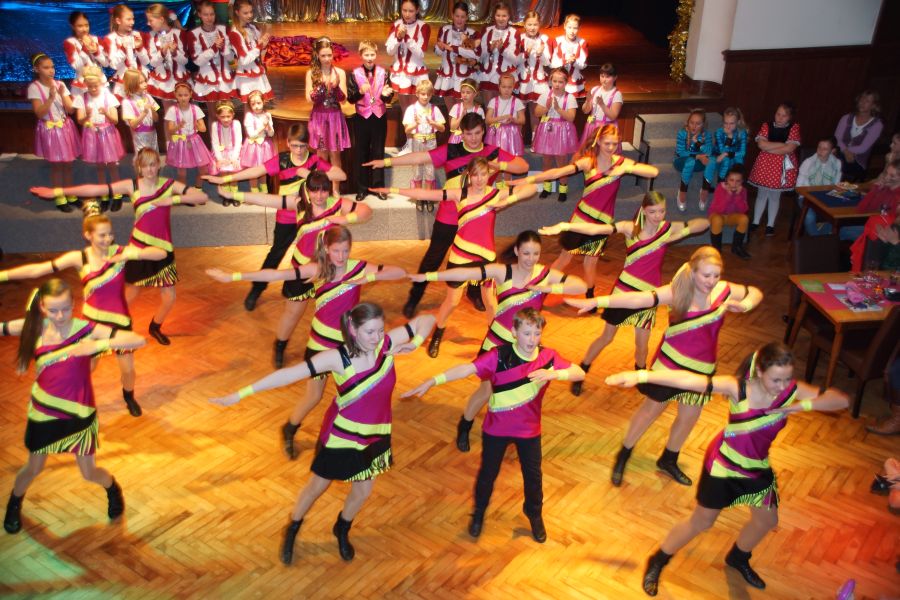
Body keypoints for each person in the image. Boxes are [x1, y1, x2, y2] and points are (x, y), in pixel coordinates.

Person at [605, 343, 848, 595]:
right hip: (723, 468)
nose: (782, 386)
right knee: (701, 522)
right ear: (759, 372)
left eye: (787, 378)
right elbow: (689, 380)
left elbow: (840, 400)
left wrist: (800, 406)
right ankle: (658, 560)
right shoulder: (738, 388)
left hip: (756, 469)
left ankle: (738, 557)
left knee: (767, 520)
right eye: (776, 379)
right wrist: (641, 375)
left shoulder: (790, 390)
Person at [210, 302, 435, 563]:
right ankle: (293, 526)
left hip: (376, 432)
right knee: (316, 487)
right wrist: (240, 394)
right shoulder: (336, 358)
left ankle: (342, 527)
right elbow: (288, 375)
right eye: (369, 332)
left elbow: (428, 319)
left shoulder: (385, 344)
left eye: (380, 330)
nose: (376, 338)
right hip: (342, 436)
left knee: (362, 492)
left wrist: (415, 342)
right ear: (353, 329)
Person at [565, 246, 763, 487]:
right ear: (693, 272)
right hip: (669, 365)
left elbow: (755, 292)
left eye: (716, 275)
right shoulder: (678, 292)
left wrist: (746, 305)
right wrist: (598, 300)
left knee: (688, 418)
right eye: (706, 275)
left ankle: (669, 459)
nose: (711, 281)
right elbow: (638, 298)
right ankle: (624, 454)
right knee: (650, 411)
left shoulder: (724, 290)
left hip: (702, 369)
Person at [206, 227, 407, 463]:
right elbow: (276, 275)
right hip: (320, 346)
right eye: (336, 251)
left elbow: (399, 271)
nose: (341, 256)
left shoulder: (358, 267)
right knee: (314, 396)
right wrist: (232, 277)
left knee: (350, 396)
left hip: (348, 347)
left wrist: (368, 277)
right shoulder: (317, 269)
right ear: (326, 248)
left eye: (345, 250)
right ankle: (290, 428)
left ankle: (330, 441)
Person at [403, 308, 585, 543]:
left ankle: (534, 513)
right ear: (514, 332)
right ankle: (478, 513)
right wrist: (433, 381)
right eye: (526, 333)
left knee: (534, 477)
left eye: (537, 333)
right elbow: (466, 369)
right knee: (487, 475)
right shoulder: (498, 356)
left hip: (529, 430)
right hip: (496, 429)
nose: (532, 339)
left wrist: (555, 375)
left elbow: (579, 373)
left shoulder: (548, 357)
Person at [1, 279, 146, 535]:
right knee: (33, 467)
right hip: (43, 412)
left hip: (80, 411)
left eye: (65, 309)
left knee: (89, 472)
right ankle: (14, 502)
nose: (60, 316)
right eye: (53, 310)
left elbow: (137, 340)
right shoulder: (33, 327)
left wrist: (97, 345)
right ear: (42, 307)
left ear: (73, 304)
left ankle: (113, 489)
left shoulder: (86, 329)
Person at [419, 230, 587, 451]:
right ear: (517, 251)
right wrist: (428, 276)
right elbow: (466, 273)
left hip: (526, 348)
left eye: (535, 254)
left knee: (520, 390)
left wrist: (549, 288)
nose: (530, 259)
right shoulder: (502, 271)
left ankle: (508, 428)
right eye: (526, 253)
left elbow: (581, 286)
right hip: (496, 344)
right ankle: (465, 425)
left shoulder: (545, 274)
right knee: (486, 391)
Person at [31, 148, 209, 345]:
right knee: (130, 294)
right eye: (145, 166)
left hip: (162, 249)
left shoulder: (168, 185)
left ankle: (155, 326)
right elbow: (95, 190)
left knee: (169, 297)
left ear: (159, 165)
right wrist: (58, 192)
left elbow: (201, 197)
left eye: (153, 165)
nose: (149, 170)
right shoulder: (132, 186)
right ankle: (108, 326)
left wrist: (172, 199)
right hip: (138, 249)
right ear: (139, 167)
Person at [539, 192, 708, 396]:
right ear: (643, 210)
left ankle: (640, 376)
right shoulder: (630, 228)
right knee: (606, 337)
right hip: (623, 291)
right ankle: (582, 370)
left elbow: (702, 223)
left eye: (662, 211)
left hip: (649, 294)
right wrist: (566, 226)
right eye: (653, 212)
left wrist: (684, 232)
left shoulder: (667, 229)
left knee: (642, 345)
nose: (658, 216)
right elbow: (596, 229)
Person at [363, 113, 529, 318]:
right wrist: (386, 163)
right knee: (432, 259)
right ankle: (414, 298)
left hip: (477, 218)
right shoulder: (451, 150)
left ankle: (474, 293)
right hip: (448, 217)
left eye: (477, 133)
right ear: (462, 134)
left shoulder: (492, 152)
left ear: (483, 132)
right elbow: (419, 157)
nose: (473, 138)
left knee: (478, 258)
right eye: (469, 134)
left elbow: (523, 166)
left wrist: (497, 166)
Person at [0, 213, 165, 416]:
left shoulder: (120, 252)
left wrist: (127, 255)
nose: (108, 239)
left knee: (128, 370)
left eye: (110, 234)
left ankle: (129, 397)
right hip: (91, 324)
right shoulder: (79, 258)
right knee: (86, 368)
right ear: (88, 235)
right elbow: (38, 270)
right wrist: (3, 275)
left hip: (119, 322)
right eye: (102, 235)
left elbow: (160, 254)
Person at [373, 157, 539, 358]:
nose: (479, 179)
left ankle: (494, 339)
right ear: (469, 175)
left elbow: (531, 187)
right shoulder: (459, 194)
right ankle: (437, 333)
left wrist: (508, 200)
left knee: (490, 301)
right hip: (461, 254)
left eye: (483, 174)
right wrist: (392, 190)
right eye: (475, 175)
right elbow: (424, 193)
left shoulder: (495, 194)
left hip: (486, 257)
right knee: (452, 301)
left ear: (489, 175)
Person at [217, 171, 372, 367]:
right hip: (302, 270)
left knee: (334, 313)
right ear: (308, 190)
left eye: (324, 190)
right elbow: (266, 199)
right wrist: (233, 195)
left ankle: (334, 350)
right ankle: (280, 345)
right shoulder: (299, 204)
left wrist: (345, 219)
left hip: (329, 271)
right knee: (292, 314)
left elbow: (366, 211)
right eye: (314, 191)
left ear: (328, 190)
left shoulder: (337, 204)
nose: (319, 196)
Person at [204, 123, 347, 311]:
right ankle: (256, 289)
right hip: (286, 217)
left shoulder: (314, 161)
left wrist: (309, 174)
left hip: (309, 219)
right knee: (276, 254)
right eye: (294, 145)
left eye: (302, 146)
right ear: (287, 143)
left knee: (313, 254)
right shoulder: (282, 160)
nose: (298, 150)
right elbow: (257, 170)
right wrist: (225, 179)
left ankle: (305, 287)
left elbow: (341, 175)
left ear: (308, 144)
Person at [514, 124, 659, 300]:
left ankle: (590, 295)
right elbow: (557, 172)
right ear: (598, 141)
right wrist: (529, 180)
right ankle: (540, 290)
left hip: (602, 224)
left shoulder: (621, 163)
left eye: (614, 144)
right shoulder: (589, 162)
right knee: (564, 258)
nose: (611, 147)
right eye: (607, 143)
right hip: (580, 219)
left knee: (590, 263)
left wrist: (627, 168)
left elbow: (653, 172)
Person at [27, 53, 80, 213]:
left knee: (68, 164)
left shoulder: (60, 84)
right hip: (50, 130)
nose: (51, 70)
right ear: (37, 69)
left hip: (65, 127)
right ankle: (59, 197)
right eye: (46, 67)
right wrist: (50, 98)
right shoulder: (34, 88)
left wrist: (63, 95)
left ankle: (70, 194)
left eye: (52, 67)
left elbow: (70, 110)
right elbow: (39, 113)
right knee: (57, 166)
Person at [346, 40, 393, 201]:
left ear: (376, 55)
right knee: (361, 152)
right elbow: (350, 98)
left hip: (379, 117)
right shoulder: (354, 74)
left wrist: (387, 95)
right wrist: (360, 92)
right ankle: (362, 188)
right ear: (361, 55)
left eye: (372, 54)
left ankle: (378, 187)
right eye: (366, 54)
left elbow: (389, 96)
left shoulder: (384, 73)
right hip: (362, 117)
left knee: (378, 152)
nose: (370, 58)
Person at [748, 102, 801, 238]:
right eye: (778, 114)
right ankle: (755, 221)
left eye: (784, 115)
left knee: (774, 196)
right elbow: (761, 145)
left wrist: (770, 147)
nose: (780, 118)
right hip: (765, 165)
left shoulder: (794, 128)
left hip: (781, 167)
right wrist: (781, 145)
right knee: (761, 194)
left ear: (790, 117)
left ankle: (770, 224)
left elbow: (789, 148)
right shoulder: (767, 125)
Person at [74, 65, 125, 203]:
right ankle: (104, 195)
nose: (93, 89)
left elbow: (115, 120)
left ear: (100, 83)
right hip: (92, 134)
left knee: (112, 165)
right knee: (100, 166)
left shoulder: (108, 97)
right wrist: (87, 116)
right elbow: (80, 121)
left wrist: (106, 113)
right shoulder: (82, 98)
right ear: (85, 84)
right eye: (89, 86)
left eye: (95, 85)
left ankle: (117, 194)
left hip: (108, 133)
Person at [306, 37, 350, 197]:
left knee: (335, 154)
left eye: (329, 55)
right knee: (321, 155)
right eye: (323, 55)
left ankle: (335, 188)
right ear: (317, 55)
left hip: (334, 118)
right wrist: (322, 88)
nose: (326, 59)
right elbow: (309, 98)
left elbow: (343, 100)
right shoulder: (311, 73)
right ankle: (321, 188)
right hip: (319, 118)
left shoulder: (340, 73)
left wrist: (336, 88)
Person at [532, 68, 578, 202]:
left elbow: (571, 117)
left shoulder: (569, 97)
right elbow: (537, 113)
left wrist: (558, 108)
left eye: (560, 82)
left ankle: (563, 189)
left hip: (562, 131)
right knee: (546, 160)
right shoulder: (545, 95)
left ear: (566, 83)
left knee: (562, 161)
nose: (557, 85)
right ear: (550, 81)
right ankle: (547, 187)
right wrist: (546, 107)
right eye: (555, 81)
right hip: (547, 130)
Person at [849, 158, 900, 270]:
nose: (887, 178)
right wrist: (876, 189)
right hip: (873, 234)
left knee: (842, 232)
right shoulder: (885, 190)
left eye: (892, 176)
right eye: (886, 174)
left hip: (885, 240)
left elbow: (893, 226)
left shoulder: (898, 197)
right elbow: (862, 209)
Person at [386, 0, 431, 121]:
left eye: (411, 11)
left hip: (417, 73)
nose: (407, 14)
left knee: (418, 110)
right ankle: (408, 133)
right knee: (405, 111)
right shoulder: (396, 25)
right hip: (400, 74)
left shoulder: (423, 27)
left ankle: (420, 133)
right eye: (404, 10)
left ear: (417, 10)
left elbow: (420, 53)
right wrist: (398, 38)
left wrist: (406, 38)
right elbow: (390, 51)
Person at [189, 0, 237, 112]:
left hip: (225, 77)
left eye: (212, 14)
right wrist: (214, 48)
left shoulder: (224, 30)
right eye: (205, 14)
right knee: (213, 114)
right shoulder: (194, 34)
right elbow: (198, 61)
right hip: (207, 78)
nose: (209, 18)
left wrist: (224, 49)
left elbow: (231, 59)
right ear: (199, 15)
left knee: (227, 112)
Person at [165, 81, 212, 187]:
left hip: (195, 140)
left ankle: (198, 189)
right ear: (175, 95)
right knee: (182, 173)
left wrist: (197, 126)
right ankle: (183, 192)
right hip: (180, 142)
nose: (183, 98)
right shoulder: (172, 110)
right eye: (180, 95)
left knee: (203, 169)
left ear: (191, 94)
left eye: (186, 95)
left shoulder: (196, 109)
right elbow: (170, 130)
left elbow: (203, 129)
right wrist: (178, 126)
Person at [433, 2, 478, 113]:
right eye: (457, 16)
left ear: (467, 17)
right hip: (447, 75)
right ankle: (452, 126)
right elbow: (437, 52)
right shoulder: (444, 30)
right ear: (452, 15)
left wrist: (453, 48)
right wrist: (440, 48)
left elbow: (474, 55)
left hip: (464, 76)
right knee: (451, 111)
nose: (459, 19)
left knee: (463, 111)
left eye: (462, 17)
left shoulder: (472, 33)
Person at [402, 80, 446, 190]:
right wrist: (415, 124)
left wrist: (434, 123)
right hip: (417, 142)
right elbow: (407, 130)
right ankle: (418, 194)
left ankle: (428, 193)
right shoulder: (411, 109)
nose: (426, 97)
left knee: (430, 169)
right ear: (417, 94)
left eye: (428, 94)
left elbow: (442, 129)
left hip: (431, 142)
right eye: (423, 94)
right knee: (417, 169)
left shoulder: (434, 109)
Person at [229, 0, 273, 105]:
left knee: (259, 105)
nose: (250, 15)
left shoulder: (253, 28)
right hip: (246, 75)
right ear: (237, 12)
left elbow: (258, 50)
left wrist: (264, 42)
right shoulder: (235, 33)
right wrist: (259, 46)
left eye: (251, 12)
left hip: (256, 70)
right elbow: (244, 60)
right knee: (250, 105)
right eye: (245, 13)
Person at [796, 137, 842, 236]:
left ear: (832, 151)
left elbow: (836, 185)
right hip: (807, 197)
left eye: (825, 149)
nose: (820, 151)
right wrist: (813, 194)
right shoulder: (808, 162)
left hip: (827, 196)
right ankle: (817, 239)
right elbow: (799, 187)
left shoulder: (837, 163)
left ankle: (823, 232)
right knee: (809, 217)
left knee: (840, 214)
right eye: (819, 147)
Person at [834, 90, 884, 182]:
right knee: (825, 156)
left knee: (833, 162)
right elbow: (837, 138)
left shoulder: (877, 125)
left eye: (867, 101)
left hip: (857, 160)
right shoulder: (846, 117)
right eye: (861, 99)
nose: (862, 103)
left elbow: (863, 148)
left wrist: (846, 152)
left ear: (873, 105)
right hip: (840, 154)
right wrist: (845, 151)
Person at [476, 1, 520, 105]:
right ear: (494, 16)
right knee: (489, 108)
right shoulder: (487, 30)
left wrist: (502, 49)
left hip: (506, 76)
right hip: (487, 75)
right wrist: (489, 49)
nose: (501, 19)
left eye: (504, 16)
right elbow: (479, 56)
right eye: (498, 15)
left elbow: (516, 59)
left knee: (504, 109)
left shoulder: (514, 32)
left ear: (509, 16)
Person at [144, 3, 189, 104]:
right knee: (169, 111)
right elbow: (153, 63)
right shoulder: (152, 37)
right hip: (163, 81)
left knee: (183, 110)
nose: (148, 23)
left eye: (150, 20)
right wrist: (162, 52)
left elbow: (185, 61)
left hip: (180, 80)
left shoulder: (179, 34)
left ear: (161, 19)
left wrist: (174, 53)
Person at [516, 11, 550, 145]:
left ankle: (536, 142)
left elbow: (547, 62)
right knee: (519, 113)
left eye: (535, 24)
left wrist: (541, 54)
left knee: (535, 113)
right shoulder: (519, 38)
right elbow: (515, 60)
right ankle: (516, 141)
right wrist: (525, 53)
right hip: (522, 81)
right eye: (529, 24)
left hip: (538, 81)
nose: (532, 27)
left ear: (539, 25)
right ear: (524, 25)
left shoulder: (544, 39)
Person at [103, 4, 148, 100]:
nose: (132, 22)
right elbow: (114, 65)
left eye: (133, 19)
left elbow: (146, 61)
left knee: (146, 106)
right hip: (123, 83)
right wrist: (123, 49)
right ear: (118, 21)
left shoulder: (137, 35)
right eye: (128, 19)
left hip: (140, 81)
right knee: (128, 107)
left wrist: (139, 48)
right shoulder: (110, 39)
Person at [673, 109, 713, 212]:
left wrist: (698, 143)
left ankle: (704, 190)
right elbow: (680, 152)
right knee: (690, 161)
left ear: (703, 124)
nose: (694, 126)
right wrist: (698, 156)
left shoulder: (707, 135)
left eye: (698, 124)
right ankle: (682, 191)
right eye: (692, 123)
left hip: (699, 163)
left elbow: (709, 151)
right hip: (682, 161)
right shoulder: (682, 133)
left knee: (712, 161)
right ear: (688, 122)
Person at [708, 165, 752, 258]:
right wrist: (728, 194)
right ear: (726, 180)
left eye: (738, 181)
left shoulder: (743, 190)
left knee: (744, 219)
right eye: (731, 180)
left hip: (731, 216)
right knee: (717, 220)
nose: (734, 184)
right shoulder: (720, 188)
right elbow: (719, 209)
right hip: (717, 214)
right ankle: (716, 249)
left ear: (742, 182)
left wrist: (737, 195)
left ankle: (737, 247)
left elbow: (743, 210)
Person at [63, 11, 108, 98]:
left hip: (99, 82)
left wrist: (96, 52)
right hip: (82, 84)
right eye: (80, 26)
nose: (84, 29)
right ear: (73, 26)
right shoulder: (70, 42)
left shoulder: (97, 39)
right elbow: (76, 66)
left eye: (86, 25)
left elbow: (106, 63)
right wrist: (84, 50)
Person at [238, 90, 276, 191]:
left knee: (263, 169)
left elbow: (271, 134)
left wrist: (268, 126)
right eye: (253, 104)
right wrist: (262, 127)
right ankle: (254, 189)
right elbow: (251, 134)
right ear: (250, 105)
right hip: (253, 146)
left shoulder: (267, 115)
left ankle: (264, 188)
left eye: (259, 103)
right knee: (253, 170)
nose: (256, 106)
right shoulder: (249, 116)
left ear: (263, 102)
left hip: (264, 146)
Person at [484, 73, 526, 163]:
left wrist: (513, 119)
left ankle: (509, 172)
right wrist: (503, 117)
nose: (506, 90)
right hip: (495, 134)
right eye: (504, 87)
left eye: (509, 87)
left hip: (512, 134)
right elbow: (487, 120)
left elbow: (522, 120)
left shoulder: (517, 102)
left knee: (511, 160)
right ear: (499, 87)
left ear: (513, 87)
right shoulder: (493, 101)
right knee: (495, 159)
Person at [580, 63, 622, 149]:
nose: (604, 80)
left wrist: (602, 105)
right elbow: (585, 111)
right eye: (602, 76)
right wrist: (588, 101)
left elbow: (613, 116)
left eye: (607, 77)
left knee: (603, 152)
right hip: (592, 125)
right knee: (590, 152)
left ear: (615, 77)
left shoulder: (616, 94)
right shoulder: (595, 90)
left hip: (606, 128)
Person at [548, 14, 588, 98]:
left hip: (574, 82)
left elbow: (583, 65)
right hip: (559, 80)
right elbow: (552, 64)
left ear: (579, 28)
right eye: (569, 27)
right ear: (564, 26)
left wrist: (574, 62)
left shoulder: (582, 43)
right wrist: (564, 61)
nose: (572, 31)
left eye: (575, 28)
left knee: (573, 103)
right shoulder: (557, 41)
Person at [121, 69, 160, 153]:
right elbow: (133, 124)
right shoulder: (127, 102)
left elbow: (156, 119)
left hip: (153, 133)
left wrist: (152, 110)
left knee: (154, 155)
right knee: (144, 157)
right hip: (140, 136)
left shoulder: (148, 96)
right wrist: (144, 113)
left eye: (145, 81)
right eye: (141, 83)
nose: (145, 84)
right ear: (132, 85)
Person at [708, 107, 747, 186]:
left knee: (739, 160)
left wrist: (728, 154)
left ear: (737, 122)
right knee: (726, 161)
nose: (728, 126)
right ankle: (721, 184)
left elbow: (742, 152)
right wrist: (729, 137)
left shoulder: (742, 133)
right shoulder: (719, 132)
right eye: (726, 123)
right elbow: (722, 151)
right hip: (719, 154)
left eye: (732, 123)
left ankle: (737, 185)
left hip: (732, 154)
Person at [209, 101, 243, 192]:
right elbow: (215, 143)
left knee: (233, 173)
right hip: (221, 153)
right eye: (222, 116)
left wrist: (234, 158)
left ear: (233, 115)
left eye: (228, 116)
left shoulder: (236, 124)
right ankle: (225, 192)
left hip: (234, 152)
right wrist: (219, 159)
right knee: (223, 172)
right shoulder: (215, 125)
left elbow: (238, 142)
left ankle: (234, 192)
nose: (226, 119)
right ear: (217, 116)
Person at [446, 78, 484, 144]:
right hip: (457, 140)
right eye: (463, 92)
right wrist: (461, 116)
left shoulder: (479, 110)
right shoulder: (456, 107)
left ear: (475, 94)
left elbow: (480, 129)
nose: (465, 95)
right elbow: (452, 127)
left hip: (472, 140)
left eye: (468, 92)